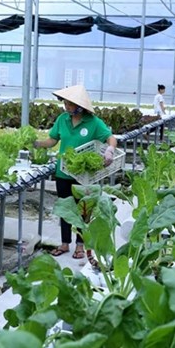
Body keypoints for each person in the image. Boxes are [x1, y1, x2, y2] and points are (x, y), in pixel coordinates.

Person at [33, 85, 117, 260]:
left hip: (83, 175)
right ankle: (65, 243)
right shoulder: (62, 119)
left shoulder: (93, 122)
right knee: (65, 208)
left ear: (80, 106)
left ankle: (80, 245)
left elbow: (111, 137)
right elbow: (52, 140)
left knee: (82, 210)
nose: (66, 106)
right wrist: (37, 144)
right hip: (63, 172)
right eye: (65, 103)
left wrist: (110, 149)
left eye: (70, 104)